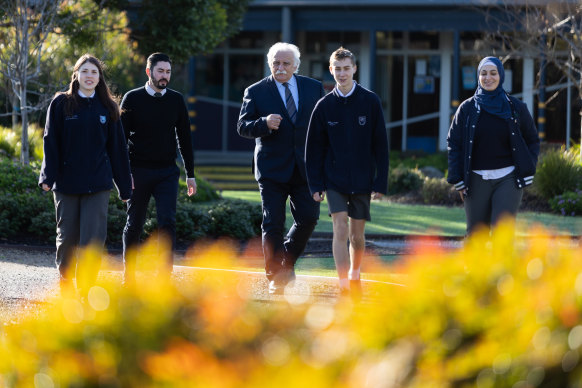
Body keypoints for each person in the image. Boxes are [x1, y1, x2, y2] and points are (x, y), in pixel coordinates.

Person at [39, 54, 132, 294]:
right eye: (85, 71)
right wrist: (47, 177)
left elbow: (118, 149)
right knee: (67, 237)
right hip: (66, 183)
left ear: (99, 78)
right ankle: (66, 282)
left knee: (92, 238)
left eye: (94, 72)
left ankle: (87, 285)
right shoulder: (61, 104)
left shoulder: (108, 108)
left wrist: (124, 187)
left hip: (98, 184)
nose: (89, 76)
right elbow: (51, 142)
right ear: (76, 75)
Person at [237, 42, 325, 294]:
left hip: (306, 169)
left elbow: (321, 129)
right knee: (273, 223)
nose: (280, 67)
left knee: (309, 218)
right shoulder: (255, 91)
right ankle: (276, 274)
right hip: (271, 169)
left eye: (286, 63)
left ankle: (285, 260)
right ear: (270, 64)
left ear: (296, 65)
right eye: (276, 62)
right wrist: (263, 123)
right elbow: (242, 126)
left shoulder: (313, 87)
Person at [305, 47, 389, 298]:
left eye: (346, 68)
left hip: (363, 179)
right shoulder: (323, 106)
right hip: (334, 180)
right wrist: (315, 185)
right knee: (340, 229)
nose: (342, 73)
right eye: (337, 69)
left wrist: (380, 182)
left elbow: (381, 146)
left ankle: (355, 273)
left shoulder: (370, 101)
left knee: (357, 235)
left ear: (354, 69)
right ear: (331, 70)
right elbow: (313, 150)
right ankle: (343, 285)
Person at [121, 52, 196, 284]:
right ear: (149, 72)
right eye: (160, 71)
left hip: (167, 172)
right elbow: (120, 140)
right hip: (138, 171)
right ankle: (129, 275)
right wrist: (125, 175)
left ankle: (164, 277)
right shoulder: (131, 99)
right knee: (134, 223)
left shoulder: (176, 100)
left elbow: (185, 138)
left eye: (168, 72)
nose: (165, 76)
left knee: (167, 222)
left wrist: (190, 174)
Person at [447, 56, 540, 236]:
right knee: (475, 236)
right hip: (475, 179)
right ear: (478, 76)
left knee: (502, 235)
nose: (488, 78)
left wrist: (528, 168)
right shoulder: (466, 109)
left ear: (501, 76)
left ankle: (503, 266)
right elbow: (453, 142)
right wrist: (457, 179)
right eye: (483, 73)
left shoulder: (517, 107)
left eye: (493, 73)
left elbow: (533, 140)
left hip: (509, 178)